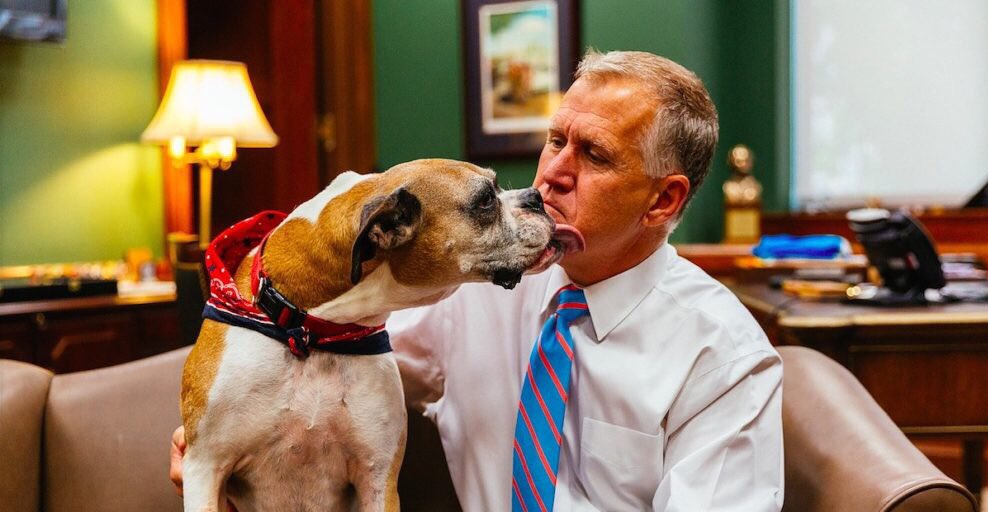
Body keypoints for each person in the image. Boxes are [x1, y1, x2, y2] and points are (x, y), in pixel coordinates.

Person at [171, 50, 783, 511]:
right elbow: (325, 357)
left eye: (594, 156)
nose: (553, 173)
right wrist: (222, 434)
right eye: (555, 141)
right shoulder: (471, 285)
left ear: (663, 200)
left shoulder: (722, 357)